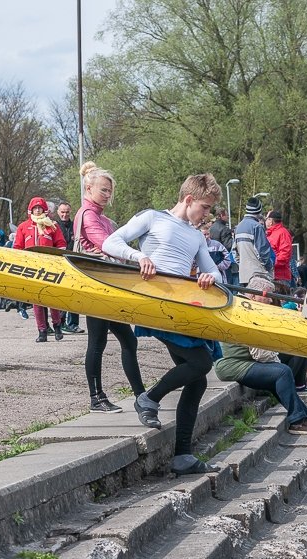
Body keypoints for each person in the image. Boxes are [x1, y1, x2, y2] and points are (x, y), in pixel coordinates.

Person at [103, 173, 224, 476]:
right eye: (205, 208)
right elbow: (111, 242)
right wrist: (139, 256)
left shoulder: (196, 236)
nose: (207, 215)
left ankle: (183, 455)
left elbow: (215, 271)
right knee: (201, 363)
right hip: (157, 304)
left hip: (184, 307)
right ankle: (149, 398)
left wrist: (210, 277)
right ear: (188, 199)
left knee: (198, 380)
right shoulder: (152, 217)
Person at [214, 276, 307, 434]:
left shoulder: (245, 305)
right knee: (282, 372)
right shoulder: (248, 311)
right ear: (254, 295)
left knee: (283, 367)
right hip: (233, 364)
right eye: (268, 296)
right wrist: (278, 363)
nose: (271, 301)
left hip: (244, 360)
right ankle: (297, 422)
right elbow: (260, 354)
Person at [74, 161, 146, 413]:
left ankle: (141, 395)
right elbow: (108, 245)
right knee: (97, 342)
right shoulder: (88, 215)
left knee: (127, 340)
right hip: (95, 285)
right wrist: (137, 257)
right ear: (89, 187)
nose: (107, 195)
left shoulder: (102, 218)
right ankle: (97, 398)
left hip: (108, 286)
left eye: (110, 191)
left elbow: (115, 249)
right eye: (103, 190)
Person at [13, 196, 67, 342]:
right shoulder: (23, 227)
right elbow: (17, 247)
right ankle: (42, 331)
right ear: (31, 210)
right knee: (36, 300)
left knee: (52, 299)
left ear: (45, 210)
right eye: (35, 208)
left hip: (50, 268)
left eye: (40, 208)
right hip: (32, 268)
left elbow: (61, 245)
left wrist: (58, 262)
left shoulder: (52, 226)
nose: (38, 210)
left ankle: (57, 327)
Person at [55, 200, 83, 334]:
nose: (65, 215)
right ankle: (60, 323)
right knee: (61, 295)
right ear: (58, 212)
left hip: (74, 263)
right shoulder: (53, 227)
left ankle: (72, 324)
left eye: (67, 212)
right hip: (59, 263)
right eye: (62, 212)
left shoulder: (76, 226)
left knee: (74, 294)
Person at [234, 196, 272, 286]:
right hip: (258, 274)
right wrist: (269, 267)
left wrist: (242, 264)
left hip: (243, 275)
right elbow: (263, 252)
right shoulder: (257, 227)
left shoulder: (238, 227)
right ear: (259, 211)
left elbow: (234, 252)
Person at [209, 206, 238, 285]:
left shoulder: (211, 227)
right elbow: (228, 246)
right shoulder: (224, 229)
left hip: (212, 260)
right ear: (222, 215)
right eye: (227, 215)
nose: (228, 217)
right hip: (223, 261)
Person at [265, 210, 293, 284]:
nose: (265, 221)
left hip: (280, 277)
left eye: (267, 218)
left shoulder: (283, 233)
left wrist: (272, 263)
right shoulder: (269, 234)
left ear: (271, 221)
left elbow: (285, 254)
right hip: (271, 275)